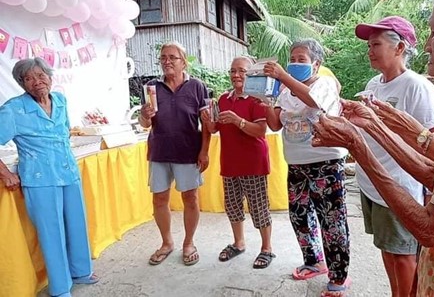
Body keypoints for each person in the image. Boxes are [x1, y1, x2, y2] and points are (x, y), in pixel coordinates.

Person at [312, 0, 434, 296]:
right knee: (390, 254)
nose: (427, 43)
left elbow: (432, 229)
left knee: (402, 255)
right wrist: (375, 125)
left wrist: (356, 144)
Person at [352, 16, 434, 297]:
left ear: (400, 47)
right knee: (386, 247)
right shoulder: (373, 84)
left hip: (400, 185)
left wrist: (430, 190)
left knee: (404, 255)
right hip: (373, 183)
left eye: (376, 44)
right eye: (369, 45)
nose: (369, 50)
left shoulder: (416, 86)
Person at [0, 58, 98, 297]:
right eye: (29, 79)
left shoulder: (61, 101)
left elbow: (64, 133)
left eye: (41, 75)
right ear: (22, 84)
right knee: (51, 232)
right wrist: (5, 173)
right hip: (40, 178)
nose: (37, 82)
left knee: (76, 224)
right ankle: (61, 287)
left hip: (68, 172)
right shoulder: (13, 109)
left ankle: (81, 271)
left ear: (50, 76)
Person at [263, 39, 350, 297]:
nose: (295, 63)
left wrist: (282, 76)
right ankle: (314, 262)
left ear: (316, 63)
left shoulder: (324, 83)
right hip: (296, 163)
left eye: (302, 59)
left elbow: (313, 101)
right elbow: (276, 124)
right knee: (300, 217)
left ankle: (339, 276)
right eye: (293, 58)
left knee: (331, 220)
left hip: (326, 162)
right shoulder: (284, 90)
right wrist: (265, 99)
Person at [139, 41, 211, 266]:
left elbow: (206, 123)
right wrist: (144, 115)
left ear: (184, 61)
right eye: (163, 58)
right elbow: (144, 124)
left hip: (188, 152)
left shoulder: (197, 86)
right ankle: (166, 242)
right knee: (159, 199)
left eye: (172, 57)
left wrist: (204, 152)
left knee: (190, 198)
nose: (167, 62)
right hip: (159, 152)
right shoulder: (151, 86)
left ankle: (188, 243)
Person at [201, 56, 275, 269]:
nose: (236, 75)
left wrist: (238, 120)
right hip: (230, 162)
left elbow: (261, 131)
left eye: (241, 71)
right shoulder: (223, 99)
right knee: (232, 206)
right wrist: (209, 122)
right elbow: (216, 128)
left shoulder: (257, 99)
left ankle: (267, 248)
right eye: (233, 71)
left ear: (251, 73)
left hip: (253, 163)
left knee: (259, 207)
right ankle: (238, 242)